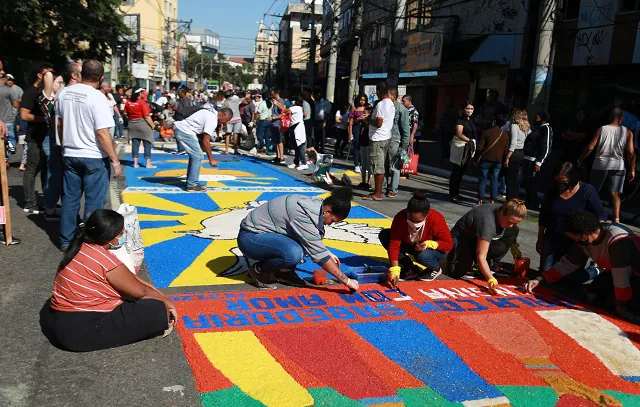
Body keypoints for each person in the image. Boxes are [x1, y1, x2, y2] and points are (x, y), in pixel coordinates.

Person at [43, 209, 177, 351]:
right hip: (79, 333)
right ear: (109, 237)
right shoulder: (103, 260)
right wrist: (168, 304)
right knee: (156, 310)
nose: (123, 236)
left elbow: (133, 280)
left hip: (58, 322)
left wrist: (157, 294)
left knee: (138, 296)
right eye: (120, 233)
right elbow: (142, 290)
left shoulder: (82, 246)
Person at [237, 187, 359, 292]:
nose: (330, 224)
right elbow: (318, 254)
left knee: (304, 246)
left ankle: (283, 271)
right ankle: (260, 270)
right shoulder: (303, 214)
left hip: (263, 235)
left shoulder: (315, 205)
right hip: (250, 238)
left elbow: (312, 239)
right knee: (294, 253)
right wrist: (347, 281)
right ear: (328, 211)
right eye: (332, 220)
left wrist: (326, 251)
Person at [526, 211, 640, 322]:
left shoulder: (619, 241)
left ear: (585, 234)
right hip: (617, 273)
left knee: (613, 305)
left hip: (634, 275)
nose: (575, 241)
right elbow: (567, 264)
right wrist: (540, 279)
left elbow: (621, 279)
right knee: (592, 295)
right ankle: (596, 271)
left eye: (575, 238)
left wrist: (622, 307)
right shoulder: (585, 241)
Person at [57, 60, 122, 250]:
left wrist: (65, 145)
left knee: (70, 199)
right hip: (93, 155)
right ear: (101, 78)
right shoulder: (98, 97)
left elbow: (60, 124)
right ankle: (89, 244)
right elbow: (103, 133)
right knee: (94, 204)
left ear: (81, 73)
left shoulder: (65, 93)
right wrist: (115, 160)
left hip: (70, 152)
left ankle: (66, 240)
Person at [537, 162, 606, 272]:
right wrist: (540, 238)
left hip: (576, 243)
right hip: (552, 238)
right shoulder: (552, 192)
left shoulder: (587, 191)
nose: (560, 185)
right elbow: (544, 216)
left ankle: (594, 271)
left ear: (572, 178)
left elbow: (600, 214)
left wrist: (596, 238)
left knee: (570, 279)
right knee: (546, 275)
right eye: (557, 181)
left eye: (563, 182)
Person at [446, 199, 527, 293]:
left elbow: (513, 229)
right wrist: (490, 279)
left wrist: (514, 246)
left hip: (477, 237)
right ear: (502, 213)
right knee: (456, 272)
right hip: (462, 238)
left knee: (512, 232)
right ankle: (459, 259)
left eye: (515, 223)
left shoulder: (504, 212)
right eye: (510, 222)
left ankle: (490, 265)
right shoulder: (488, 222)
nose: (511, 225)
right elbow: (481, 256)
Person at [379, 190, 453, 285]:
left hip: (434, 251)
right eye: (411, 220)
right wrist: (394, 270)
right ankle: (410, 267)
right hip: (412, 246)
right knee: (385, 235)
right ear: (407, 213)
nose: (414, 224)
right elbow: (394, 244)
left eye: (418, 221)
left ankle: (435, 268)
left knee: (422, 256)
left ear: (426, 215)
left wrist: (431, 244)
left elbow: (448, 245)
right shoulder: (400, 218)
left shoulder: (436, 218)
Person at [578, 108, 636, 223]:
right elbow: (630, 152)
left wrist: (580, 159)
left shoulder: (602, 129)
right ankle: (616, 219)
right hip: (618, 165)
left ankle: (588, 214)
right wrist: (632, 169)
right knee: (615, 193)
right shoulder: (628, 132)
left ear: (610, 117)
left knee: (593, 190)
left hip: (600, 164)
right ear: (622, 119)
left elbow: (590, 147)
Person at [20, 63, 54, 214]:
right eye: (48, 75)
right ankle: (30, 202)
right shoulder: (30, 92)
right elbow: (24, 115)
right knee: (32, 169)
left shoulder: (44, 93)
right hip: (34, 137)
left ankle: (46, 202)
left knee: (46, 170)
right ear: (40, 76)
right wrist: (45, 118)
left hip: (46, 137)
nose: (51, 78)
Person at [173, 107, 232, 191]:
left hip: (182, 128)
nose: (227, 122)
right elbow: (206, 140)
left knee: (195, 156)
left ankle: (192, 182)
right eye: (227, 119)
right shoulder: (213, 118)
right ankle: (191, 185)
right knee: (198, 156)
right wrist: (211, 159)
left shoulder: (210, 112)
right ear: (224, 115)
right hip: (184, 131)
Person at [363, 81, 395, 201]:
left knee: (378, 166)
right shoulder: (390, 103)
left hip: (378, 138)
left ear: (377, 92)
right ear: (388, 91)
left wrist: (368, 119)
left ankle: (377, 193)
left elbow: (379, 123)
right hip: (386, 136)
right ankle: (378, 191)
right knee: (381, 165)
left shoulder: (381, 104)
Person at [475, 114, 509, 205]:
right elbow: (506, 151)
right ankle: (492, 200)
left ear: (494, 122)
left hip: (486, 159)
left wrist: (476, 158)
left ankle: (480, 199)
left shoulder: (486, 132)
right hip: (498, 161)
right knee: (494, 180)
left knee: (482, 179)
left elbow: (480, 148)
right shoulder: (505, 135)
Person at [522, 111, 553, 210]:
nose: (534, 119)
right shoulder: (538, 129)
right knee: (528, 182)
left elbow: (546, 147)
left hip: (534, 160)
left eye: (537, 118)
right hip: (528, 159)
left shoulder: (546, 129)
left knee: (532, 182)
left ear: (543, 119)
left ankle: (533, 203)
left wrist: (539, 162)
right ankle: (530, 201)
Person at [383, 89, 410, 198]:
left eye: (388, 95)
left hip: (395, 140)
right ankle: (383, 187)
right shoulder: (385, 107)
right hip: (385, 139)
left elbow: (405, 130)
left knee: (394, 166)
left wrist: (403, 147)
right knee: (384, 165)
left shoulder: (402, 110)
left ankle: (393, 189)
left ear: (393, 96)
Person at [449, 101, 477, 203]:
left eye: (472, 109)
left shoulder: (469, 120)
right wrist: (469, 141)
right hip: (460, 148)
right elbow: (459, 133)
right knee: (457, 171)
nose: (470, 111)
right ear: (463, 109)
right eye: (468, 108)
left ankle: (456, 192)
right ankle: (453, 193)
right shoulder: (460, 120)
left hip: (467, 148)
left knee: (461, 172)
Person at [124, 86, 157, 169]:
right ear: (140, 93)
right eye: (143, 92)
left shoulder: (128, 102)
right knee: (147, 143)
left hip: (132, 124)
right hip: (143, 124)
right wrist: (153, 125)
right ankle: (148, 163)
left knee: (135, 144)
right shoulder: (142, 102)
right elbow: (146, 116)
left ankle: (135, 163)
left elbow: (125, 113)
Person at [504, 109, 531, 200]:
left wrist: (508, 157)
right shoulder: (527, 127)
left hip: (514, 153)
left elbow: (513, 142)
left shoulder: (514, 126)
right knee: (516, 178)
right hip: (521, 153)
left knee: (510, 178)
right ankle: (514, 197)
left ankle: (510, 198)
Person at [285, 95, 308, 170]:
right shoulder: (299, 108)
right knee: (296, 146)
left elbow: (286, 111)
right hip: (294, 127)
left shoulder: (296, 108)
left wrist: (277, 104)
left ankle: (304, 163)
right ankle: (296, 162)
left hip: (297, 128)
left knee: (300, 145)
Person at [0, 73, 20, 155]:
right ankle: (6, 158)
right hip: (8, 119)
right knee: (11, 139)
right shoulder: (9, 90)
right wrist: (14, 115)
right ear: (4, 79)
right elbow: (16, 105)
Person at [349, 94, 368, 173]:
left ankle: (363, 164)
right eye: (361, 100)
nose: (362, 102)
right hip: (356, 128)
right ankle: (356, 165)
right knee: (356, 146)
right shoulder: (354, 108)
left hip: (365, 128)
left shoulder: (367, 108)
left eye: (364, 100)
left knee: (364, 147)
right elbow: (350, 122)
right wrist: (350, 133)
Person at [269, 88, 287, 165]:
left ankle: (282, 157)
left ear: (276, 94)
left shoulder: (280, 102)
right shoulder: (274, 102)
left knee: (279, 141)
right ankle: (278, 156)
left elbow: (283, 113)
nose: (271, 96)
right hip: (274, 123)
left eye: (272, 94)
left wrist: (273, 118)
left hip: (278, 124)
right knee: (275, 141)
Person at [358, 105, 374, 190]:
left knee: (369, 164)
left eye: (365, 113)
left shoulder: (370, 124)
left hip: (369, 144)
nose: (363, 115)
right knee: (363, 163)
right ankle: (363, 180)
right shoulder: (362, 124)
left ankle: (369, 182)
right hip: (362, 144)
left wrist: (366, 120)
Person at [223, 89, 242, 154]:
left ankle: (226, 150)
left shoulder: (225, 102)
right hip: (237, 118)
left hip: (229, 119)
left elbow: (223, 111)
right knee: (236, 134)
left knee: (228, 134)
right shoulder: (236, 98)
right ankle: (235, 150)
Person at [402, 94, 420, 159]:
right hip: (403, 135)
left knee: (408, 153)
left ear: (409, 101)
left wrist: (412, 136)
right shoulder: (405, 110)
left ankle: (408, 167)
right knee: (403, 153)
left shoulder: (414, 111)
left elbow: (415, 124)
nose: (402, 103)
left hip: (408, 135)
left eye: (404, 101)